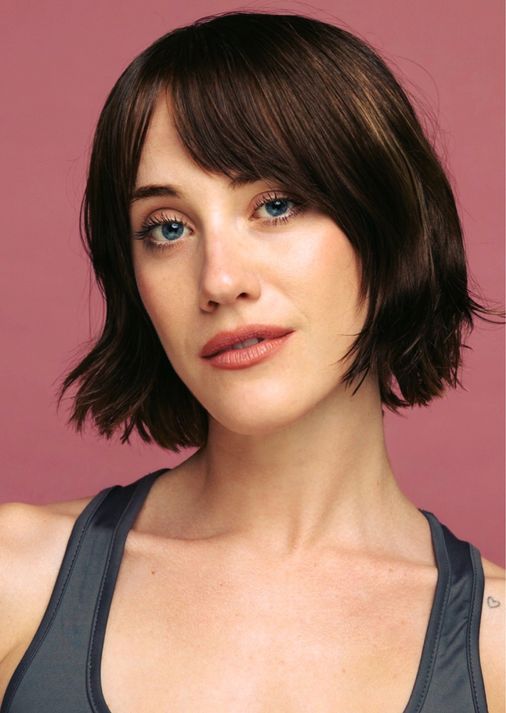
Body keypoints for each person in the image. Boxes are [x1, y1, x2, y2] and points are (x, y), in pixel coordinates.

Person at [0, 9, 504, 713]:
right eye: (167, 228)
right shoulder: (17, 578)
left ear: (387, 226)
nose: (219, 279)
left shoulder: (494, 648)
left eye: (275, 205)